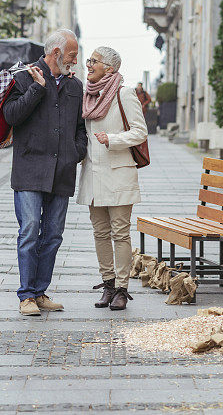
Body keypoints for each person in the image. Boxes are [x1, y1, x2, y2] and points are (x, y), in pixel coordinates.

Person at [3, 28, 87, 316]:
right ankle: (26, 295)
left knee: (53, 235)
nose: (75, 62)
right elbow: (12, 116)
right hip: (29, 169)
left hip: (61, 171)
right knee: (29, 231)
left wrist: (77, 152)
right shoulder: (24, 77)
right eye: (72, 56)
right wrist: (37, 88)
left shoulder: (76, 86)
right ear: (56, 54)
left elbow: (80, 128)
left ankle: (40, 293)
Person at [77, 47, 147, 311]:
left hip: (118, 173)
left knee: (120, 232)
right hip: (93, 176)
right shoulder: (88, 96)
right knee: (100, 232)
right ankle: (107, 284)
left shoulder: (124, 94)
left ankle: (121, 288)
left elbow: (140, 132)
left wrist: (113, 140)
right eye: (89, 60)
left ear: (110, 68)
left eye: (95, 61)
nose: (89, 64)